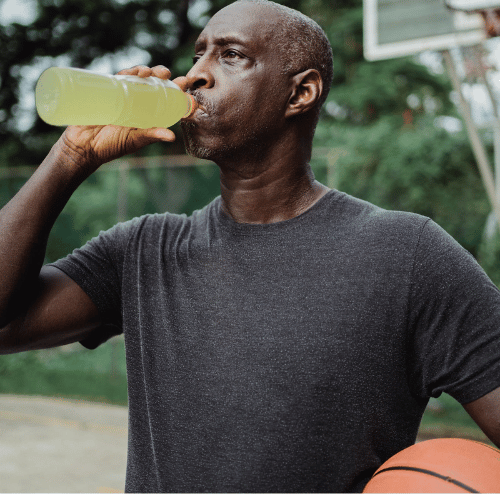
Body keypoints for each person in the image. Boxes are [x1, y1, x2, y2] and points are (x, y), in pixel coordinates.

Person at [0, 0, 499, 493]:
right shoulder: (144, 249)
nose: (195, 75)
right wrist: (70, 157)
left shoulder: (407, 254)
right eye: (198, 54)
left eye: (230, 55)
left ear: (300, 93)